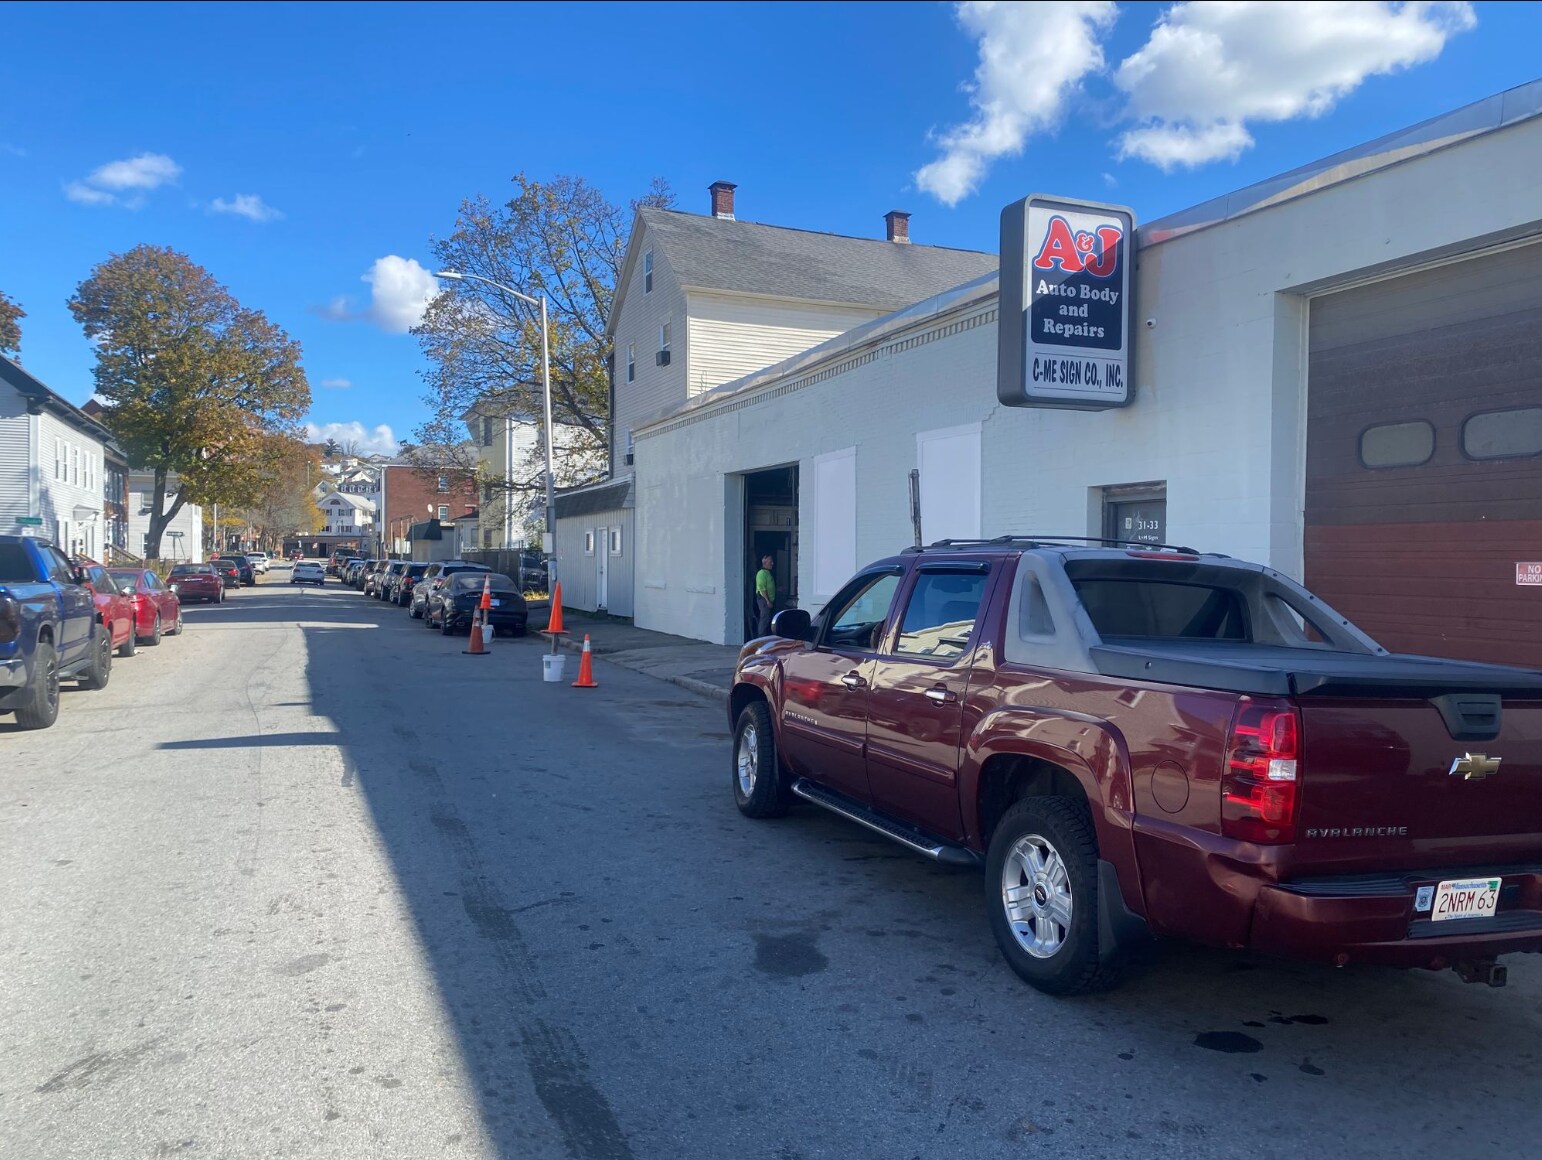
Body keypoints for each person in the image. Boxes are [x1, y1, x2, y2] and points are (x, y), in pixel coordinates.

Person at [754, 554, 776, 636]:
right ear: (764, 562)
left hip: (768, 600)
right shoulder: (761, 573)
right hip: (763, 599)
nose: (772, 563)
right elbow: (762, 589)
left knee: (767, 619)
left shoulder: (767, 573)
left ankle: (765, 636)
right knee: (764, 618)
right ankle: (761, 637)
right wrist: (767, 601)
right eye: (770, 561)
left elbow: (769, 586)